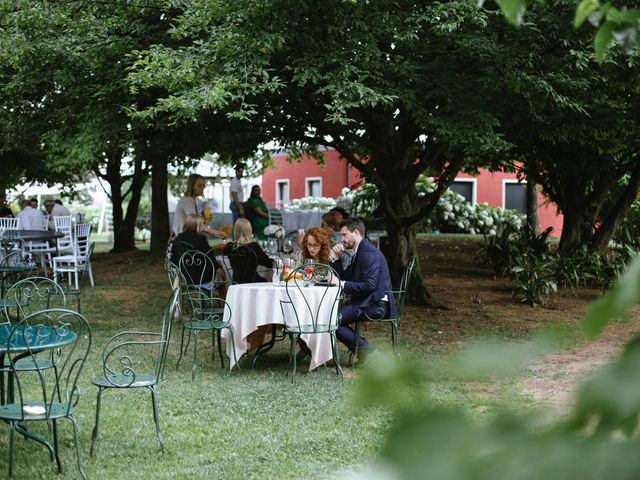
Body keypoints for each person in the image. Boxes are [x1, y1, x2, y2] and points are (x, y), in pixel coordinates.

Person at [329, 217, 396, 358]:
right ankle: (366, 354)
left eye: (344, 235)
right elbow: (345, 277)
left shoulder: (367, 252)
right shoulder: (360, 251)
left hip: (377, 304)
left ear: (356, 233)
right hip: (367, 301)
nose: (342, 239)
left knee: (332, 321)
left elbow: (370, 286)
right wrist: (336, 258)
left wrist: (340, 284)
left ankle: (370, 353)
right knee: (331, 319)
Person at [170, 214, 224, 289]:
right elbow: (211, 260)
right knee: (221, 272)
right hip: (204, 281)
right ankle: (225, 299)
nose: (204, 227)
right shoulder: (201, 240)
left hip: (184, 281)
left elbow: (173, 260)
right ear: (197, 226)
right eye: (202, 225)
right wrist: (218, 268)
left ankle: (178, 299)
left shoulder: (178, 239)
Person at [172, 173, 227, 240]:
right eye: (199, 185)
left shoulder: (192, 199)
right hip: (181, 240)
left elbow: (192, 217)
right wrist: (214, 232)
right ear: (191, 186)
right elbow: (194, 223)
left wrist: (202, 215)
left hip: (182, 238)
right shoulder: (188, 201)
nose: (202, 188)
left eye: (203, 185)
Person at [226, 218, 273, 284]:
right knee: (268, 281)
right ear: (249, 230)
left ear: (236, 230)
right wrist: (276, 261)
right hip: (252, 283)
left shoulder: (230, 246)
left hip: (236, 283)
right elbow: (268, 263)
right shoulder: (253, 246)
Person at [229, 164, 245, 232]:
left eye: (242, 172)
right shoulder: (234, 181)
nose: (241, 173)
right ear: (236, 172)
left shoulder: (238, 181)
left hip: (238, 204)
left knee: (239, 225)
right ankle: (235, 241)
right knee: (237, 225)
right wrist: (240, 208)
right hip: (236, 204)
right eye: (239, 172)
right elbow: (234, 195)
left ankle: (238, 240)